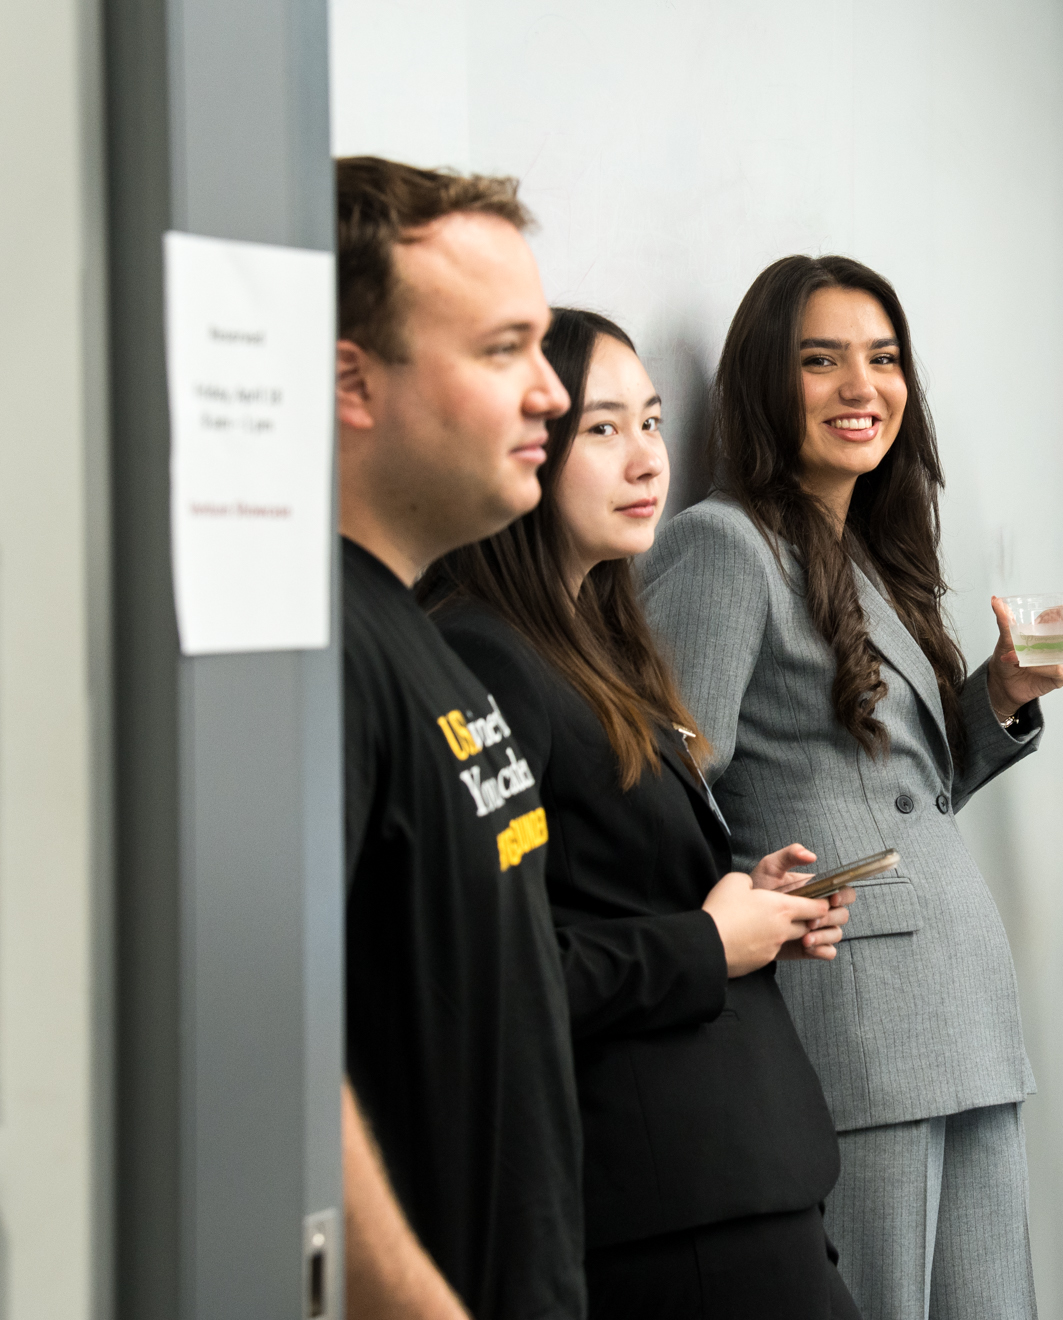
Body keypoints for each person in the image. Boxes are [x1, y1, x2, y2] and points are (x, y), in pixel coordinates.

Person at [643, 255, 1063, 1320]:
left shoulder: (872, 557)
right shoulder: (723, 546)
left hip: (963, 1006)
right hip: (850, 1020)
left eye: (883, 359)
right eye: (821, 360)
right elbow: (666, 787)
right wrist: (735, 919)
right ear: (764, 380)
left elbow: (905, 789)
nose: (862, 386)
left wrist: (1003, 692)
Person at [421, 307, 862, 1319]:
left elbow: (613, 891)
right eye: (603, 429)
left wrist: (752, 910)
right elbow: (501, 968)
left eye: (654, 422)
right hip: (663, 1200)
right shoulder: (487, 654)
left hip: (735, 1175)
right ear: (526, 444)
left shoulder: (599, 645)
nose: (647, 459)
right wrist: (711, 943)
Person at [334, 156, 581, 1320]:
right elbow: (272, 1041)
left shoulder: (412, 628)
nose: (552, 394)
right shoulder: (317, 644)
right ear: (353, 382)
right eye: (503, 350)